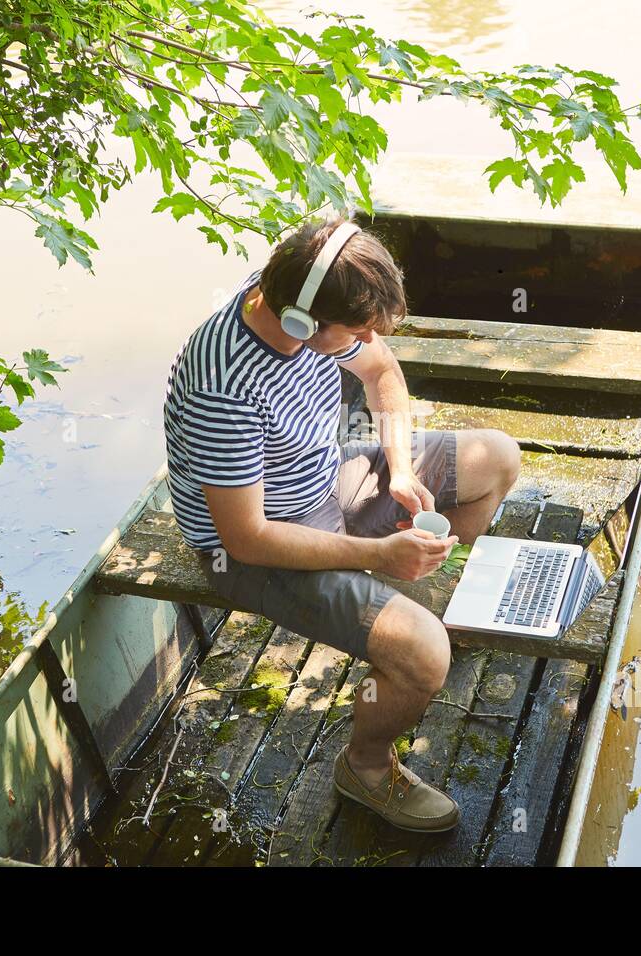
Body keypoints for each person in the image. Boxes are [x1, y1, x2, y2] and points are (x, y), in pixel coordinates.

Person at [163, 218, 520, 832]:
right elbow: (247, 537)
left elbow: (383, 374)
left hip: (327, 479)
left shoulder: (302, 307)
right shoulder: (223, 384)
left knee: (497, 458)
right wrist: (379, 553)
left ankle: (409, 629)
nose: (363, 341)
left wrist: (403, 469)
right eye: (353, 333)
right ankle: (367, 767)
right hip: (260, 548)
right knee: (426, 652)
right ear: (303, 322)